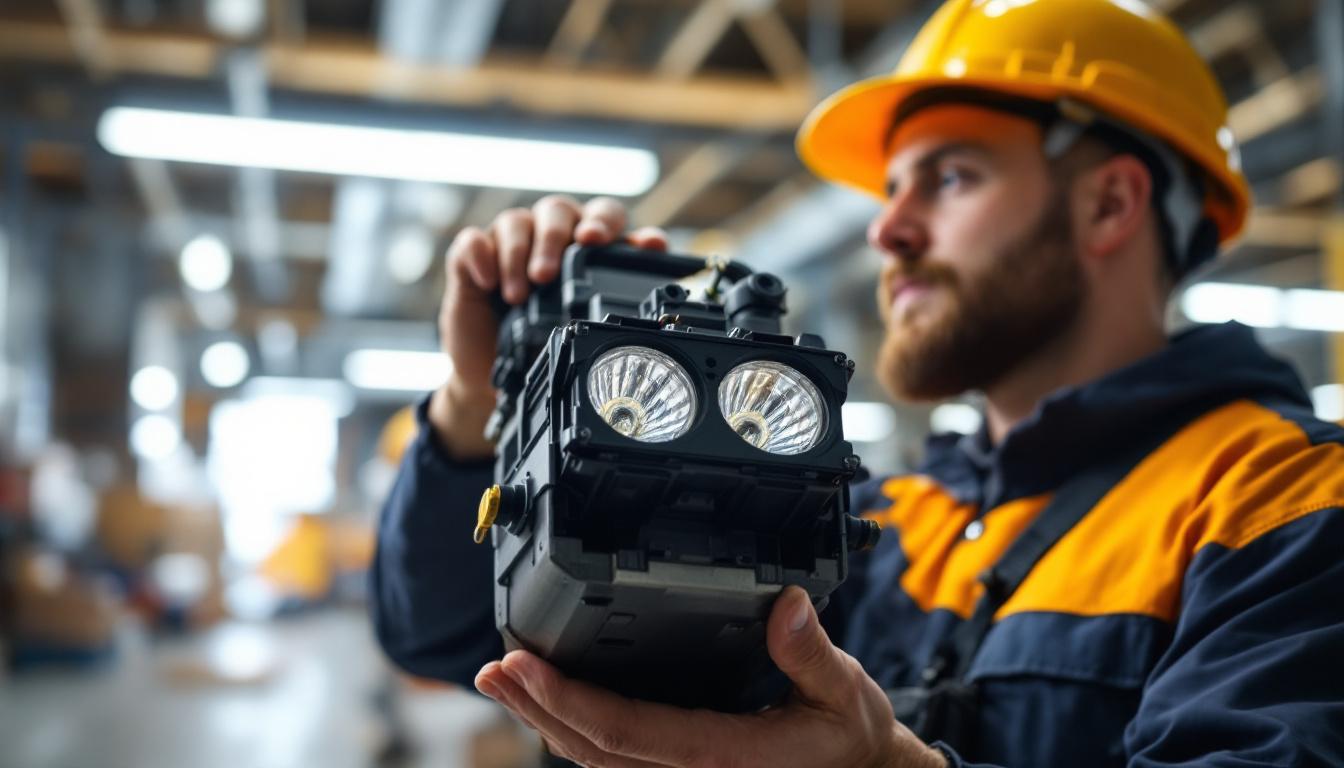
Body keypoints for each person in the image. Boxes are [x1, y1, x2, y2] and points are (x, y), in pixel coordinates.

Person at [371, 0, 1344, 765]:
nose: (888, 229)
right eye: (889, 191)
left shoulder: (1285, 501)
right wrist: (479, 403)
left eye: (950, 177)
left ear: (1110, 202)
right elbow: (457, 638)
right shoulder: (897, 520)